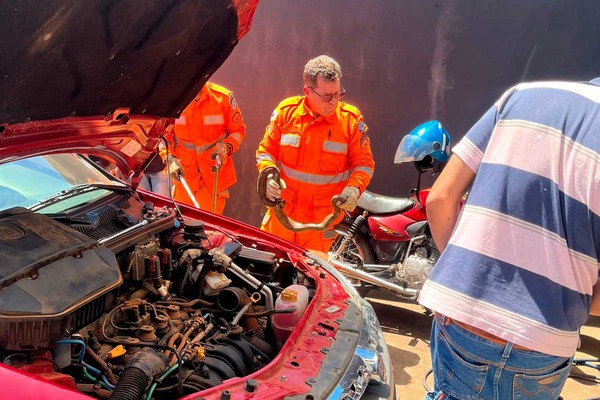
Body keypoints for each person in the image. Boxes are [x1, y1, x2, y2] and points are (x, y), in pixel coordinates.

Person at [419, 78, 600, 400]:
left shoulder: (521, 96)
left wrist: (462, 271)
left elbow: (440, 197)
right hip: (543, 340)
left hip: (460, 315)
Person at [256, 55, 375, 252]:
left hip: (321, 224)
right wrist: (268, 176)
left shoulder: (350, 121)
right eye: (327, 96)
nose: (334, 101)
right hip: (281, 215)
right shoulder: (286, 113)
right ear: (307, 91)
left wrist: (354, 189)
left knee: (311, 279)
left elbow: (364, 164)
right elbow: (265, 151)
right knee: (267, 269)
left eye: (338, 93)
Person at [164, 81, 246, 214]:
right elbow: (161, 136)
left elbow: (238, 131)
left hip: (213, 177)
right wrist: (169, 158)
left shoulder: (223, 98)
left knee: (207, 228)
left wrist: (226, 146)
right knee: (181, 228)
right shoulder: (173, 100)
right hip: (184, 176)